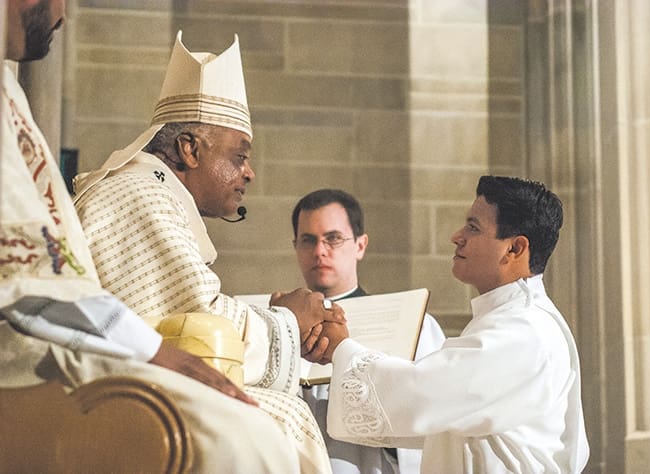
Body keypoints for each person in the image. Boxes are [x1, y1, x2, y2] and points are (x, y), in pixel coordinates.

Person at [0, 2, 332, 472]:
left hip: (77, 348)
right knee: (255, 430)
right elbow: (194, 325)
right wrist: (287, 324)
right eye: (239, 156)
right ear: (189, 149)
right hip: (44, 369)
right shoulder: (142, 194)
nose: (63, 15)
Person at [300, 176, 590, 473]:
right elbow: (439, 422)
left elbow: (423, 394)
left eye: (473, 227)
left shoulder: (524, 331)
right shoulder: (506, 320)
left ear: (514, 249)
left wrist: (341, 349)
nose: (457, 236)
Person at [291, 188, 446, 473]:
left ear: (360, 245)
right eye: (308, 240)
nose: (319, 251)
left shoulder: (412, 324)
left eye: (333, 239)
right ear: (295, 247)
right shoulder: (277, 325)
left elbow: (433, 413)